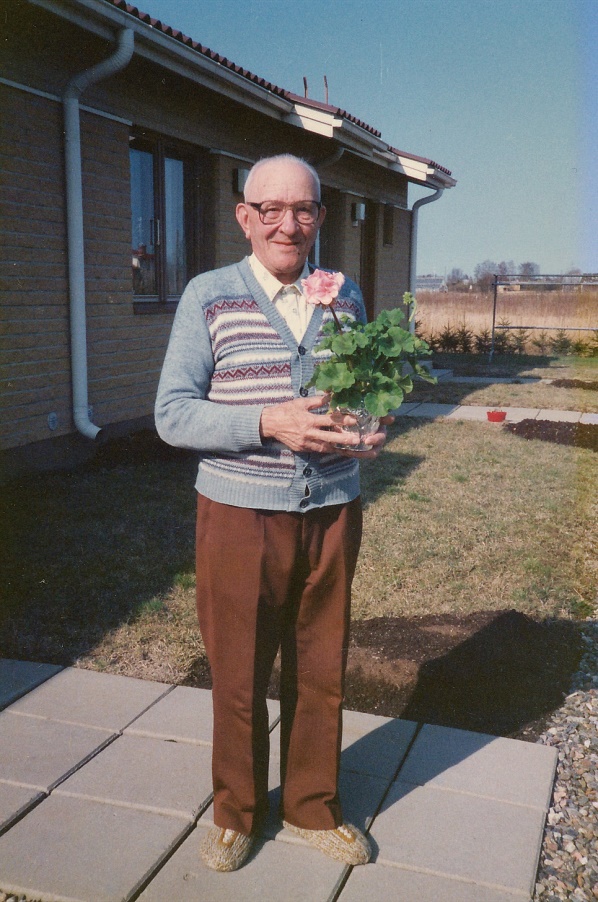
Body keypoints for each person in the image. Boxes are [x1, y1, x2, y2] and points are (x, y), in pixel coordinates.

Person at [155, 154, 392, 872]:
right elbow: (171, 414)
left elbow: (369, 384)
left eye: (306, 210)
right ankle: (237, 811)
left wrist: (373, 423)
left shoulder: (344, 295)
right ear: (245, 217)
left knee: (322, 665)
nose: (290, 224)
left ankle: (312, 808)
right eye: (272, 209)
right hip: (238, 514)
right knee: (238, 668)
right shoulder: (209, 296)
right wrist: (268, 423)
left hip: (332, 509)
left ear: (320, 216)